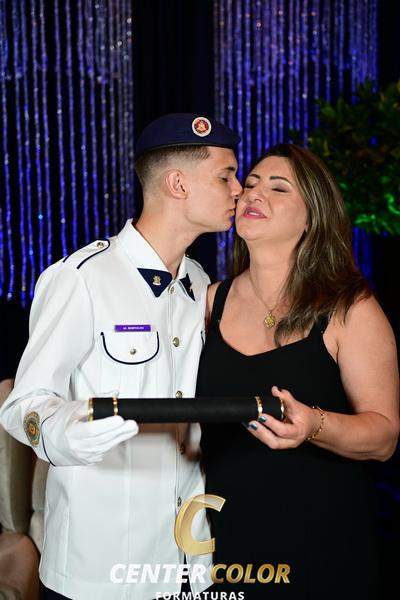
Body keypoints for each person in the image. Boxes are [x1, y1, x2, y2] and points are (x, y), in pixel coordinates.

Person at [0, 113, 242, 600]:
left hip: (188, 562)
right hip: (101, 568)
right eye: (226, 176)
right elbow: (22, 404)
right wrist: (68, 432)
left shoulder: (198, 282)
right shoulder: (81, 278)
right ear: (178, 183)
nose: (239, 190)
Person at [196, 143, 400, 599]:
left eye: (278, 188)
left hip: (323, 545)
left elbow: (384, 437)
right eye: (250, 184)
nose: (253, 194)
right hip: (226, 542)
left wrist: (313, 424)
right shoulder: (210, 302)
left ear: (312, 216)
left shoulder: (350, 308)